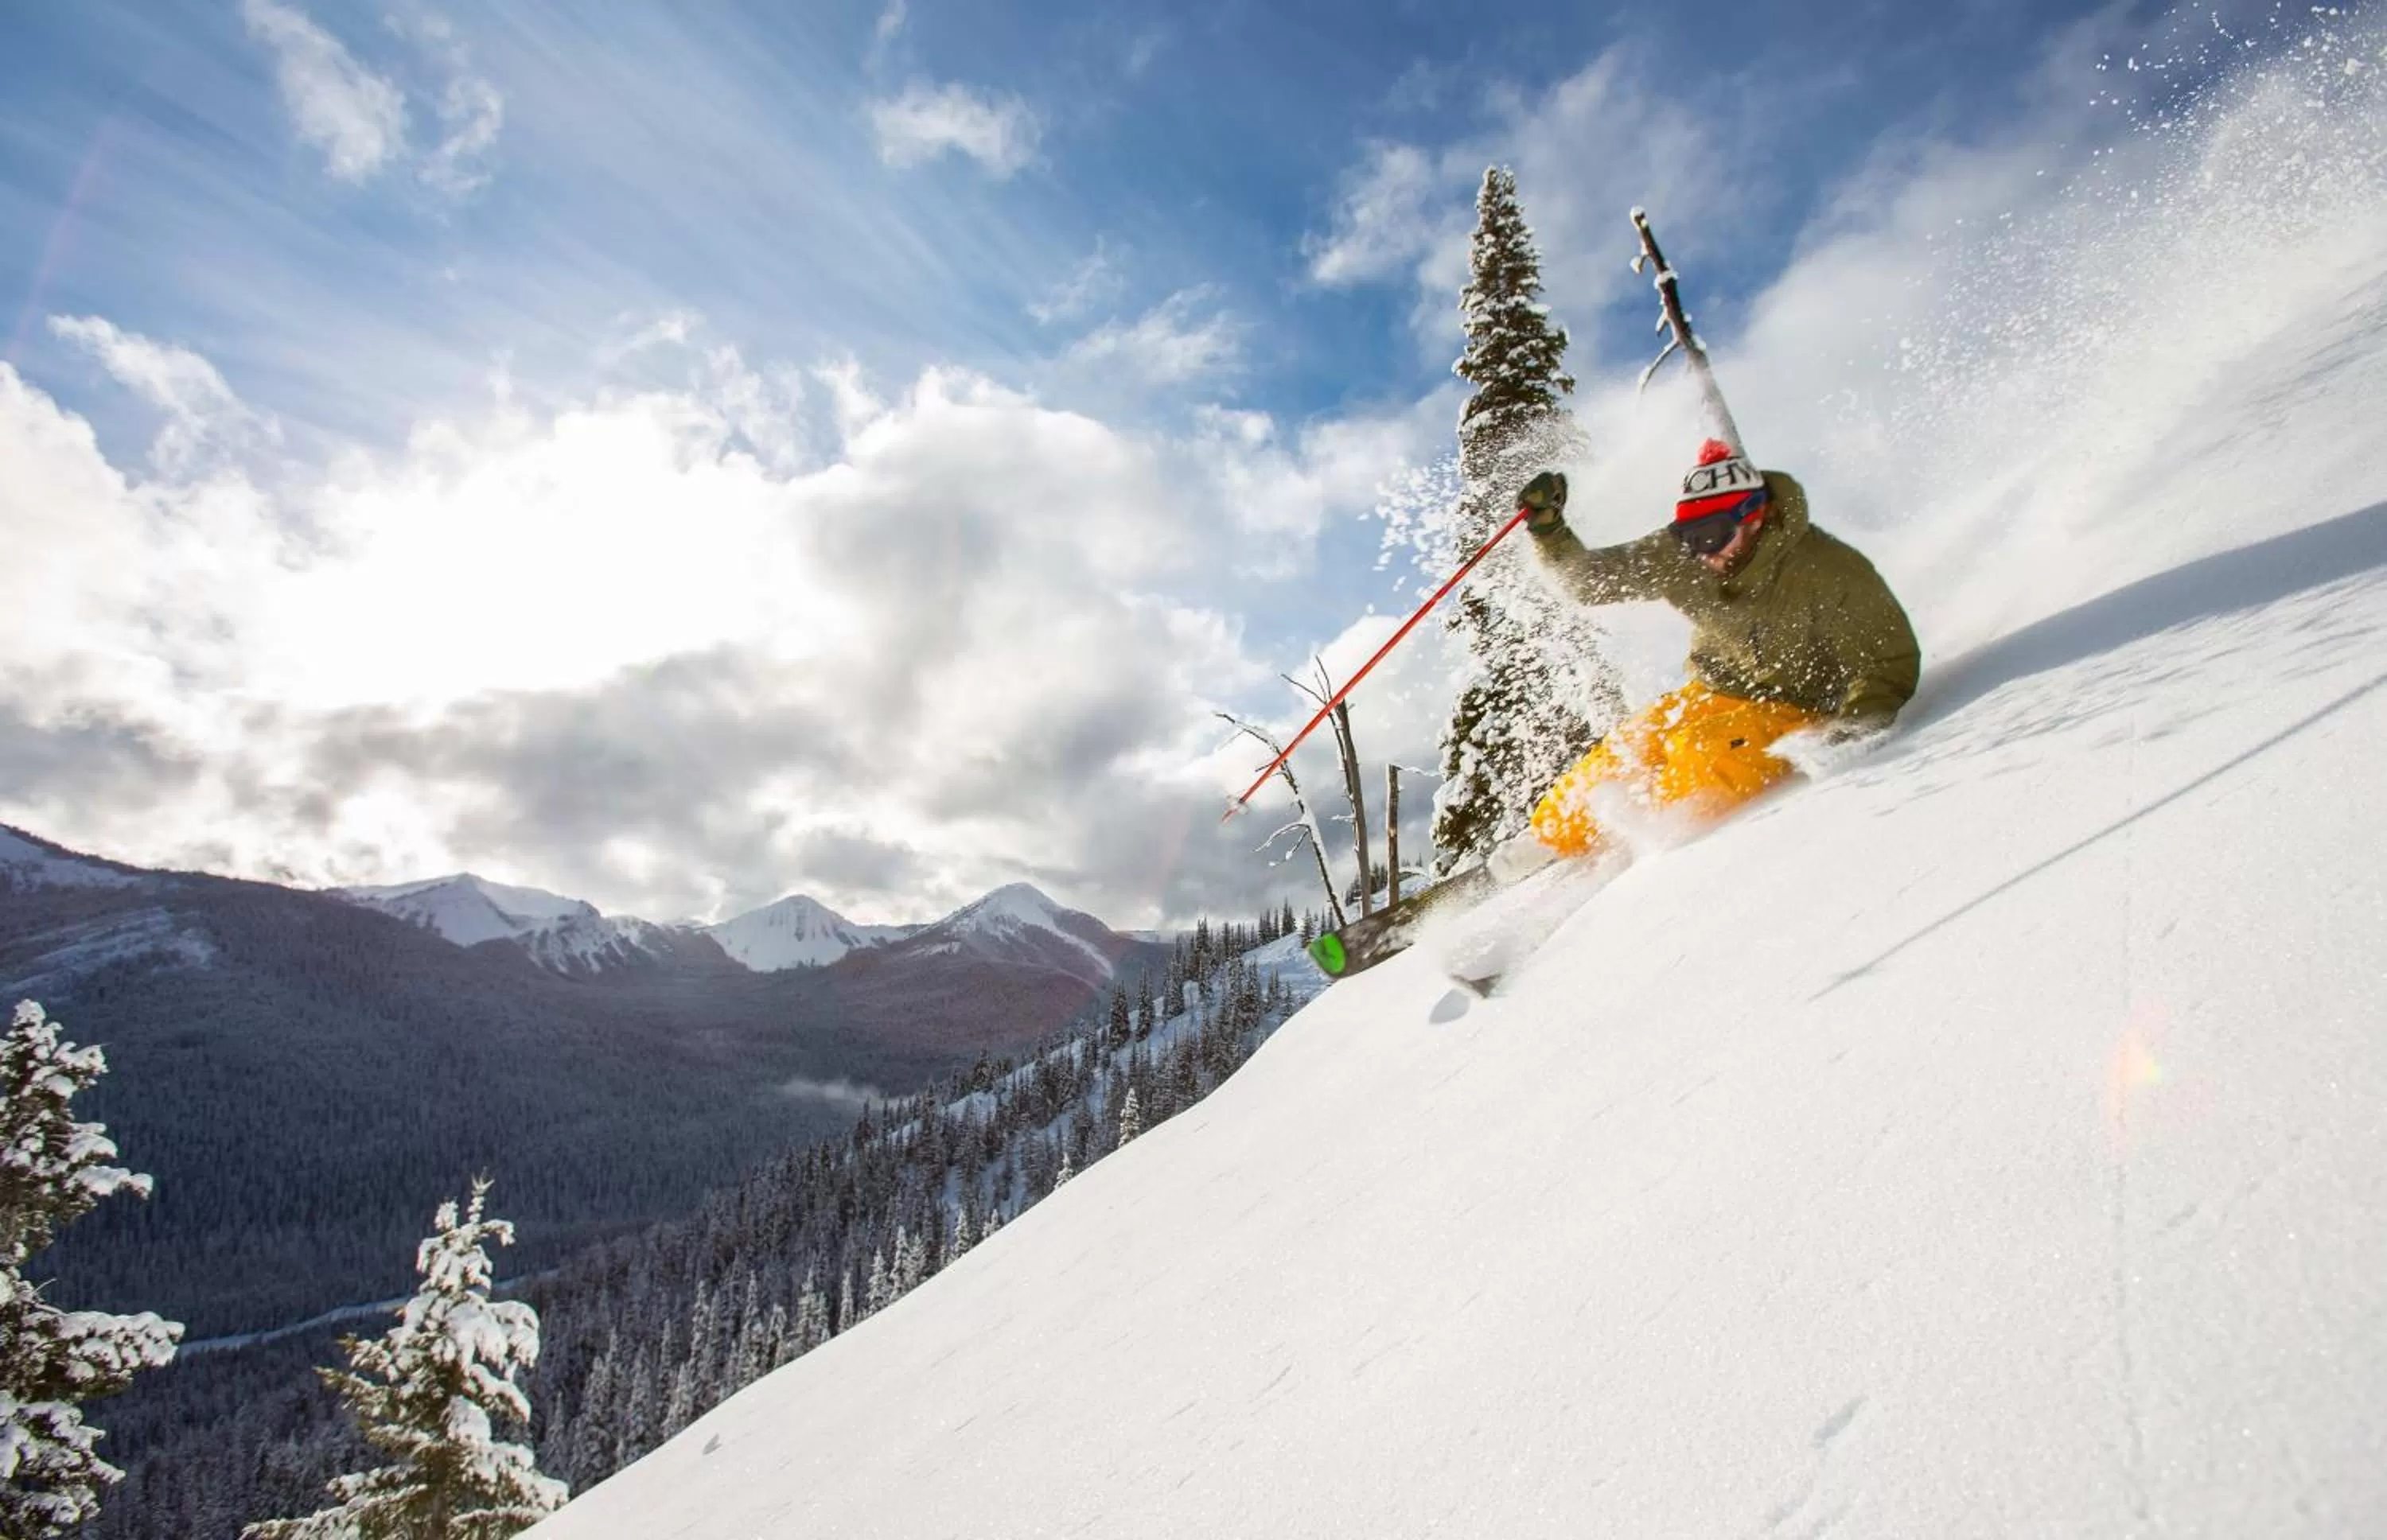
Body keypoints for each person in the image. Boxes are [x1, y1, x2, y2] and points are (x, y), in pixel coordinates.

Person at [1497, 439, 1919, 873]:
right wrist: (1549, 530)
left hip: (1794, 705)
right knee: (1634, 742)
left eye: (1713, 536)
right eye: (1689, 536)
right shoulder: (1685, 554)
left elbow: (1888, 662)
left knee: (1701, 753)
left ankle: (1644, 839)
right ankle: (1550, 837)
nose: (1702, 550)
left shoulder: (1829, 570)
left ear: (1755, 519)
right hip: (1712, 689)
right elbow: (1590, 582)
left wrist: (1852, 728)